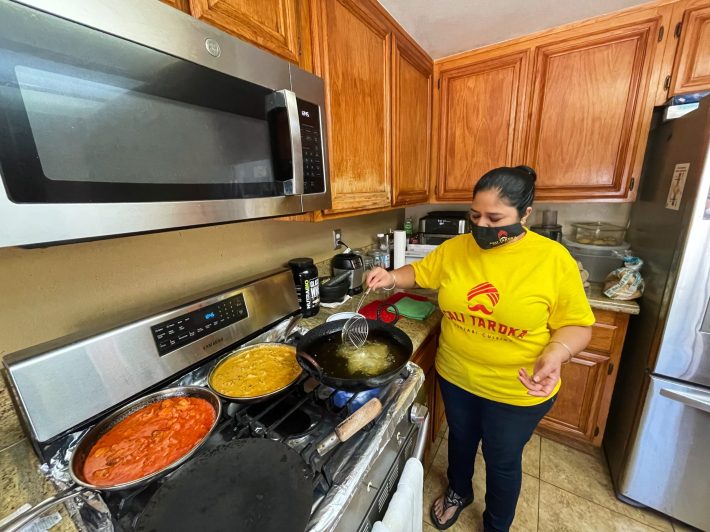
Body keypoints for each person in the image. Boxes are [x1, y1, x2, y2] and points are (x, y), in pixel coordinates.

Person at [366, 166, 594, 531]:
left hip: (517, 387)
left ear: (526, 215)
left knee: (502, 458)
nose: (482, 225)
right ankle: (459, 491)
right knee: (460, 438)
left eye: (495, 217)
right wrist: (392, 276)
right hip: (457, 375)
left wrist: (557, 352)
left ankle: (496, 524)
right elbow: (421, 273)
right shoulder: (456, 248)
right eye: (475, 215)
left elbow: (579, 325)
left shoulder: (552, 260)